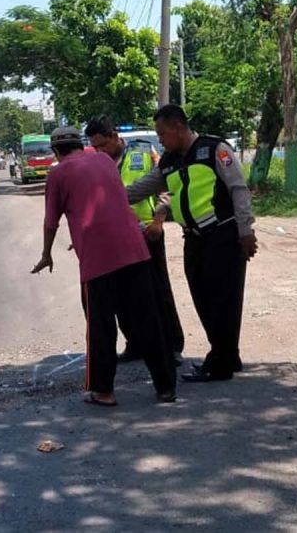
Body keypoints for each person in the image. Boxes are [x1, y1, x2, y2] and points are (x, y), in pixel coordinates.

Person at [32, 127, 177, 406]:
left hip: (98, 260)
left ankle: (104, 391)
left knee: (100, 326)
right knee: (148, 319)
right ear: (81, 144)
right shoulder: (104, 161)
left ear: (55, 152)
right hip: (134, 249)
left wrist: (46, 254)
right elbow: (113, 203)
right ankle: (166, 387)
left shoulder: (58, 174)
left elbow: (51, 222)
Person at [125, 104, 258, 383]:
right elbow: (142, 187)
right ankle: (227, 356)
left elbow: (238, 189)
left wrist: (246, 231)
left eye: (162, 133)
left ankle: (220, 363)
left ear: (177, 126)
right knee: (203, 301)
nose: (159, 140)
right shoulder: (169, 161)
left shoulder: (214, 149)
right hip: (194, 241)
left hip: (223, 236)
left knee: (224, 302)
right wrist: (111, 197)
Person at [85, 115, 186, 366]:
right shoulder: (97, 162)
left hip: (147, 232)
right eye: (94, 147)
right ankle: (136, 344)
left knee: (158, 290)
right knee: (123, 293)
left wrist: (159, 220)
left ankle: (171, 346)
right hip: (116, 236)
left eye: (102, 145)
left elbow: (166, 186)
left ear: (114, 136)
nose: (99, 151)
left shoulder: (144, 151)